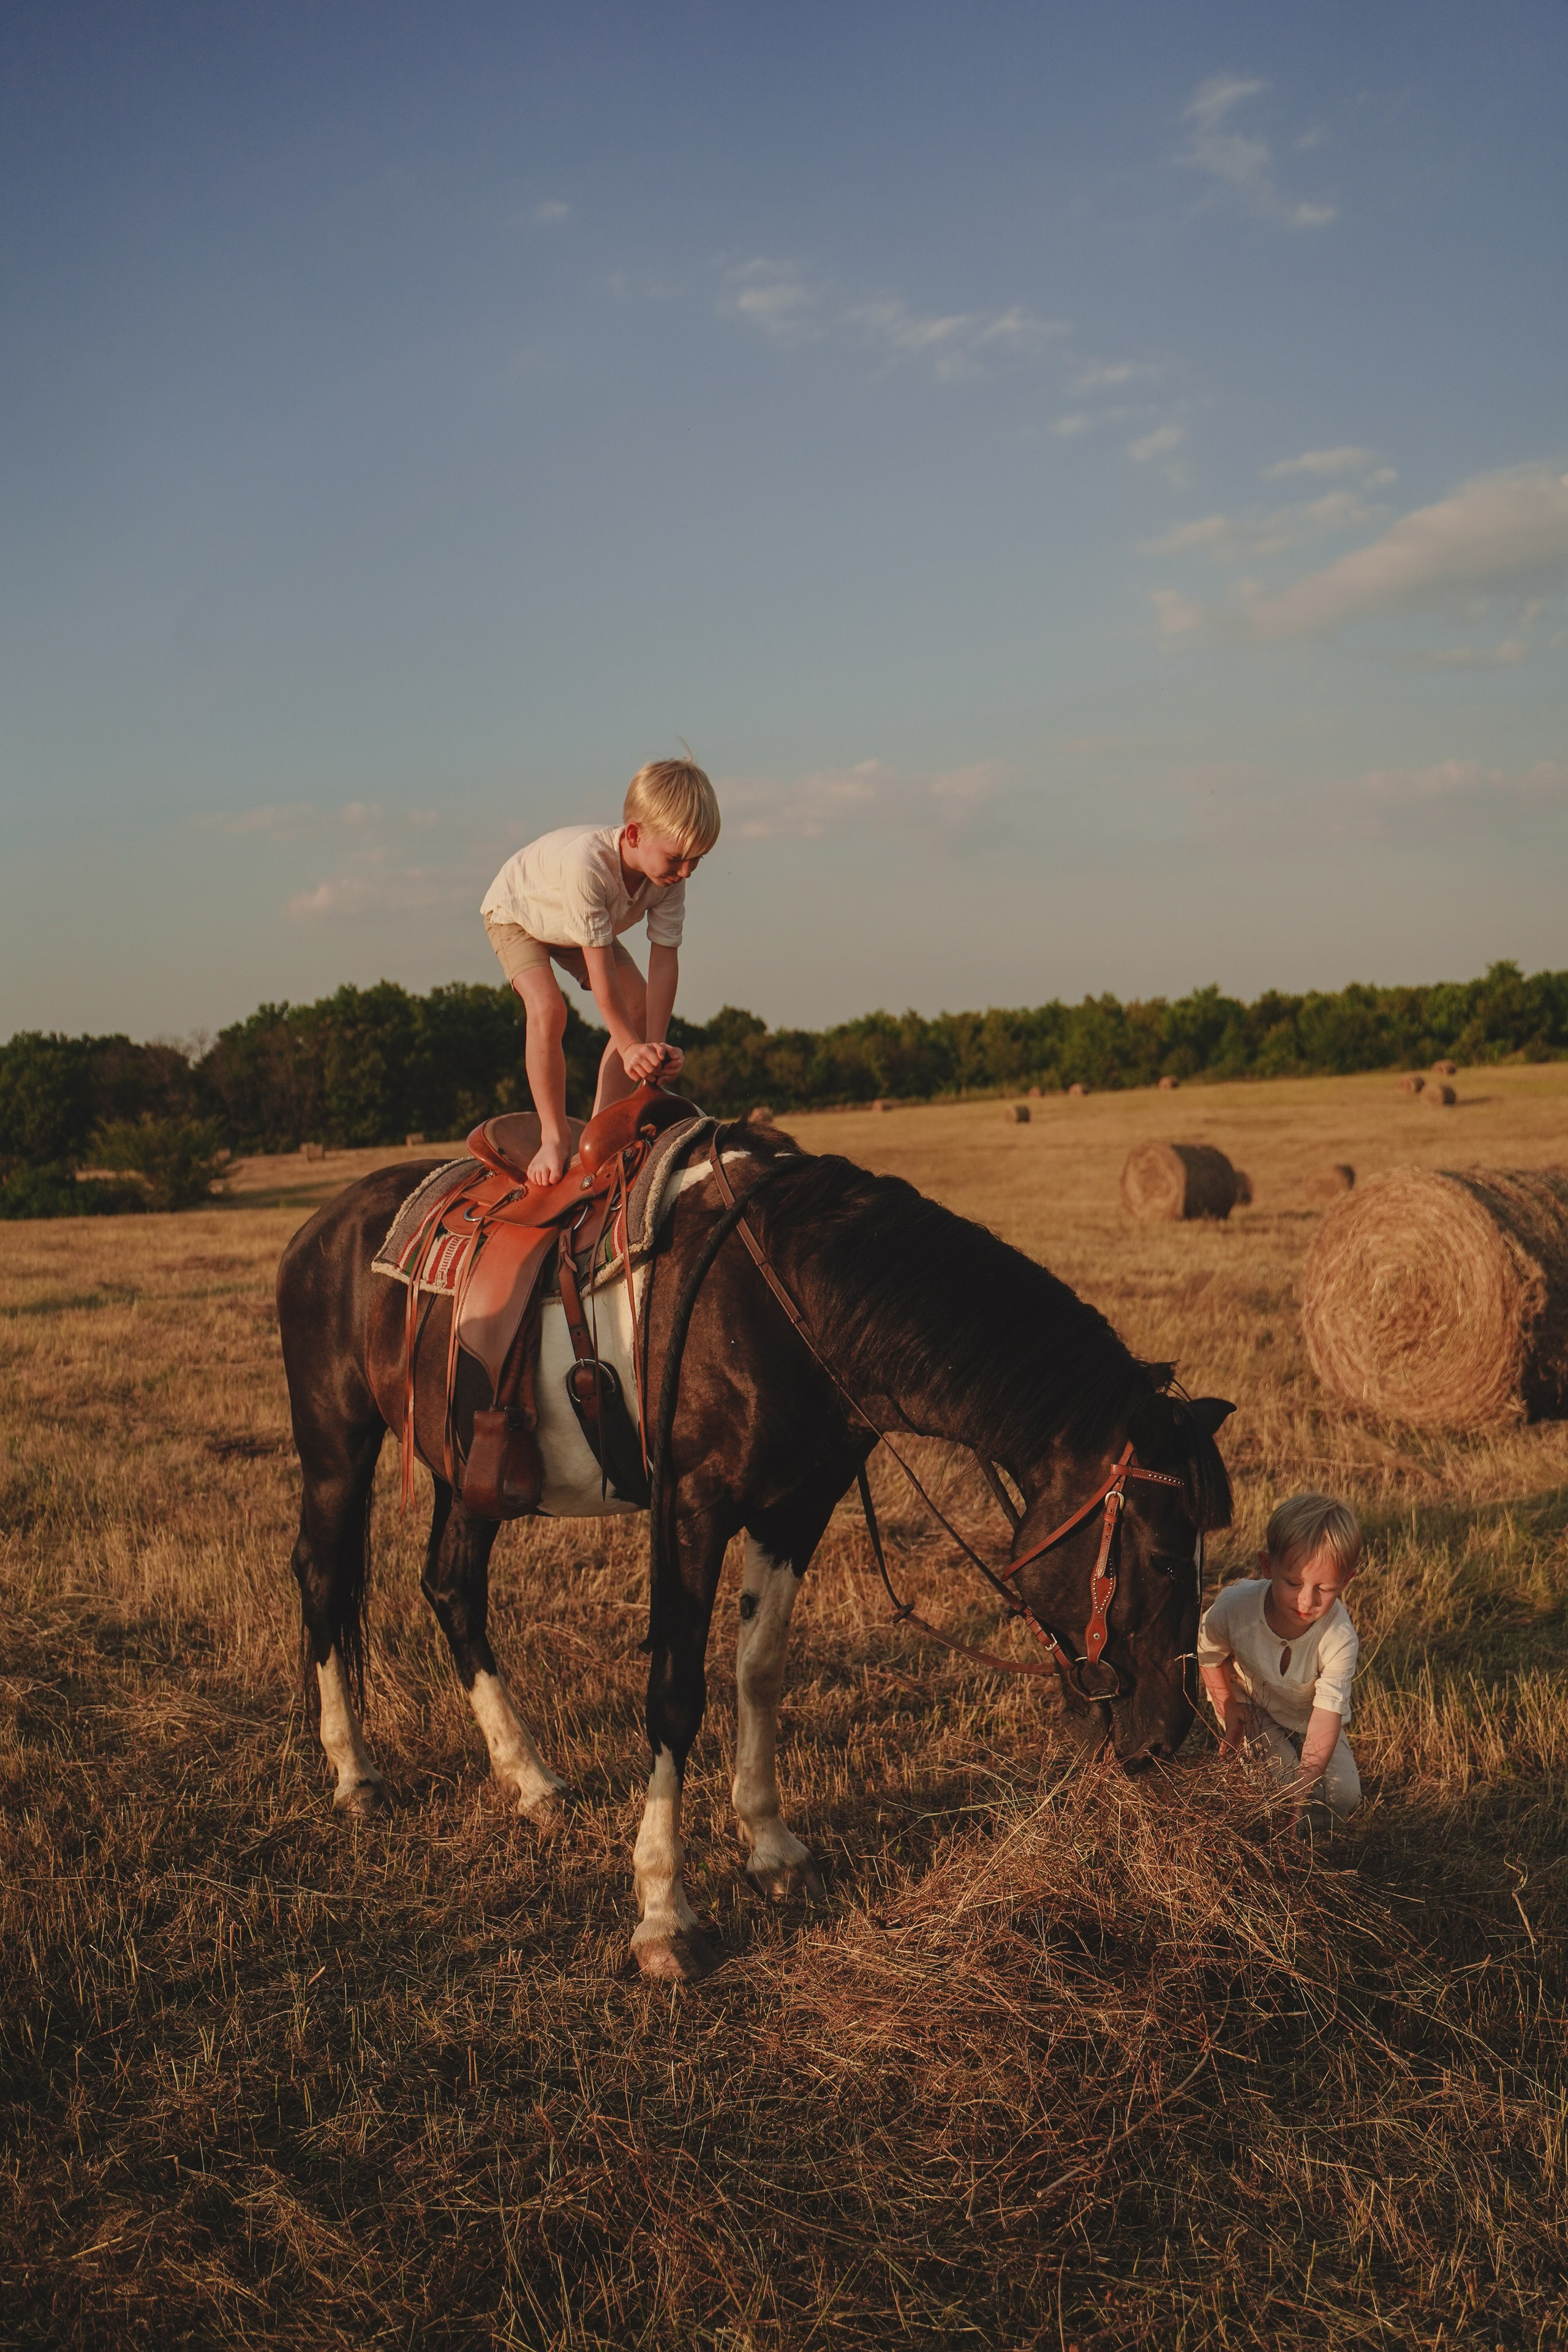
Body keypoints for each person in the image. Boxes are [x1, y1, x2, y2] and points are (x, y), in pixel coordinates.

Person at [480, 759, 720, 1188]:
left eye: (697, 861)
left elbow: (664, 960)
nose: (686, 872)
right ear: (633, 834)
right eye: (678, 858)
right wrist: (630, 1048)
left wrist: (654, 1052)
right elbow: (601, 971)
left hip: (580, 926)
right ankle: (553, 1138)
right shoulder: (588, 866)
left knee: (640, 1010)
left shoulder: (668, 876)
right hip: (519, 914)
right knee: (550, 1009)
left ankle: (598, 1132)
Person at [1198, 1491, 1363, 1833]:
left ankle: (1303, 1840)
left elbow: (1327, 1715)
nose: (1306, 1600)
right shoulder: (1235, 1608)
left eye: (1325, 1588)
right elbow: (1208, 1652)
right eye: (1293, 1582)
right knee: (1281, 1781)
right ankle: (1267, 1833)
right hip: (1253, 1707)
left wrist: (1307, 1780)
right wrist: (1227, 1703)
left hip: (1308, 1718)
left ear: (1346, 1581)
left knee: (1343, 1796)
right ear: (1267, 1565)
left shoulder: (1339, 1637)